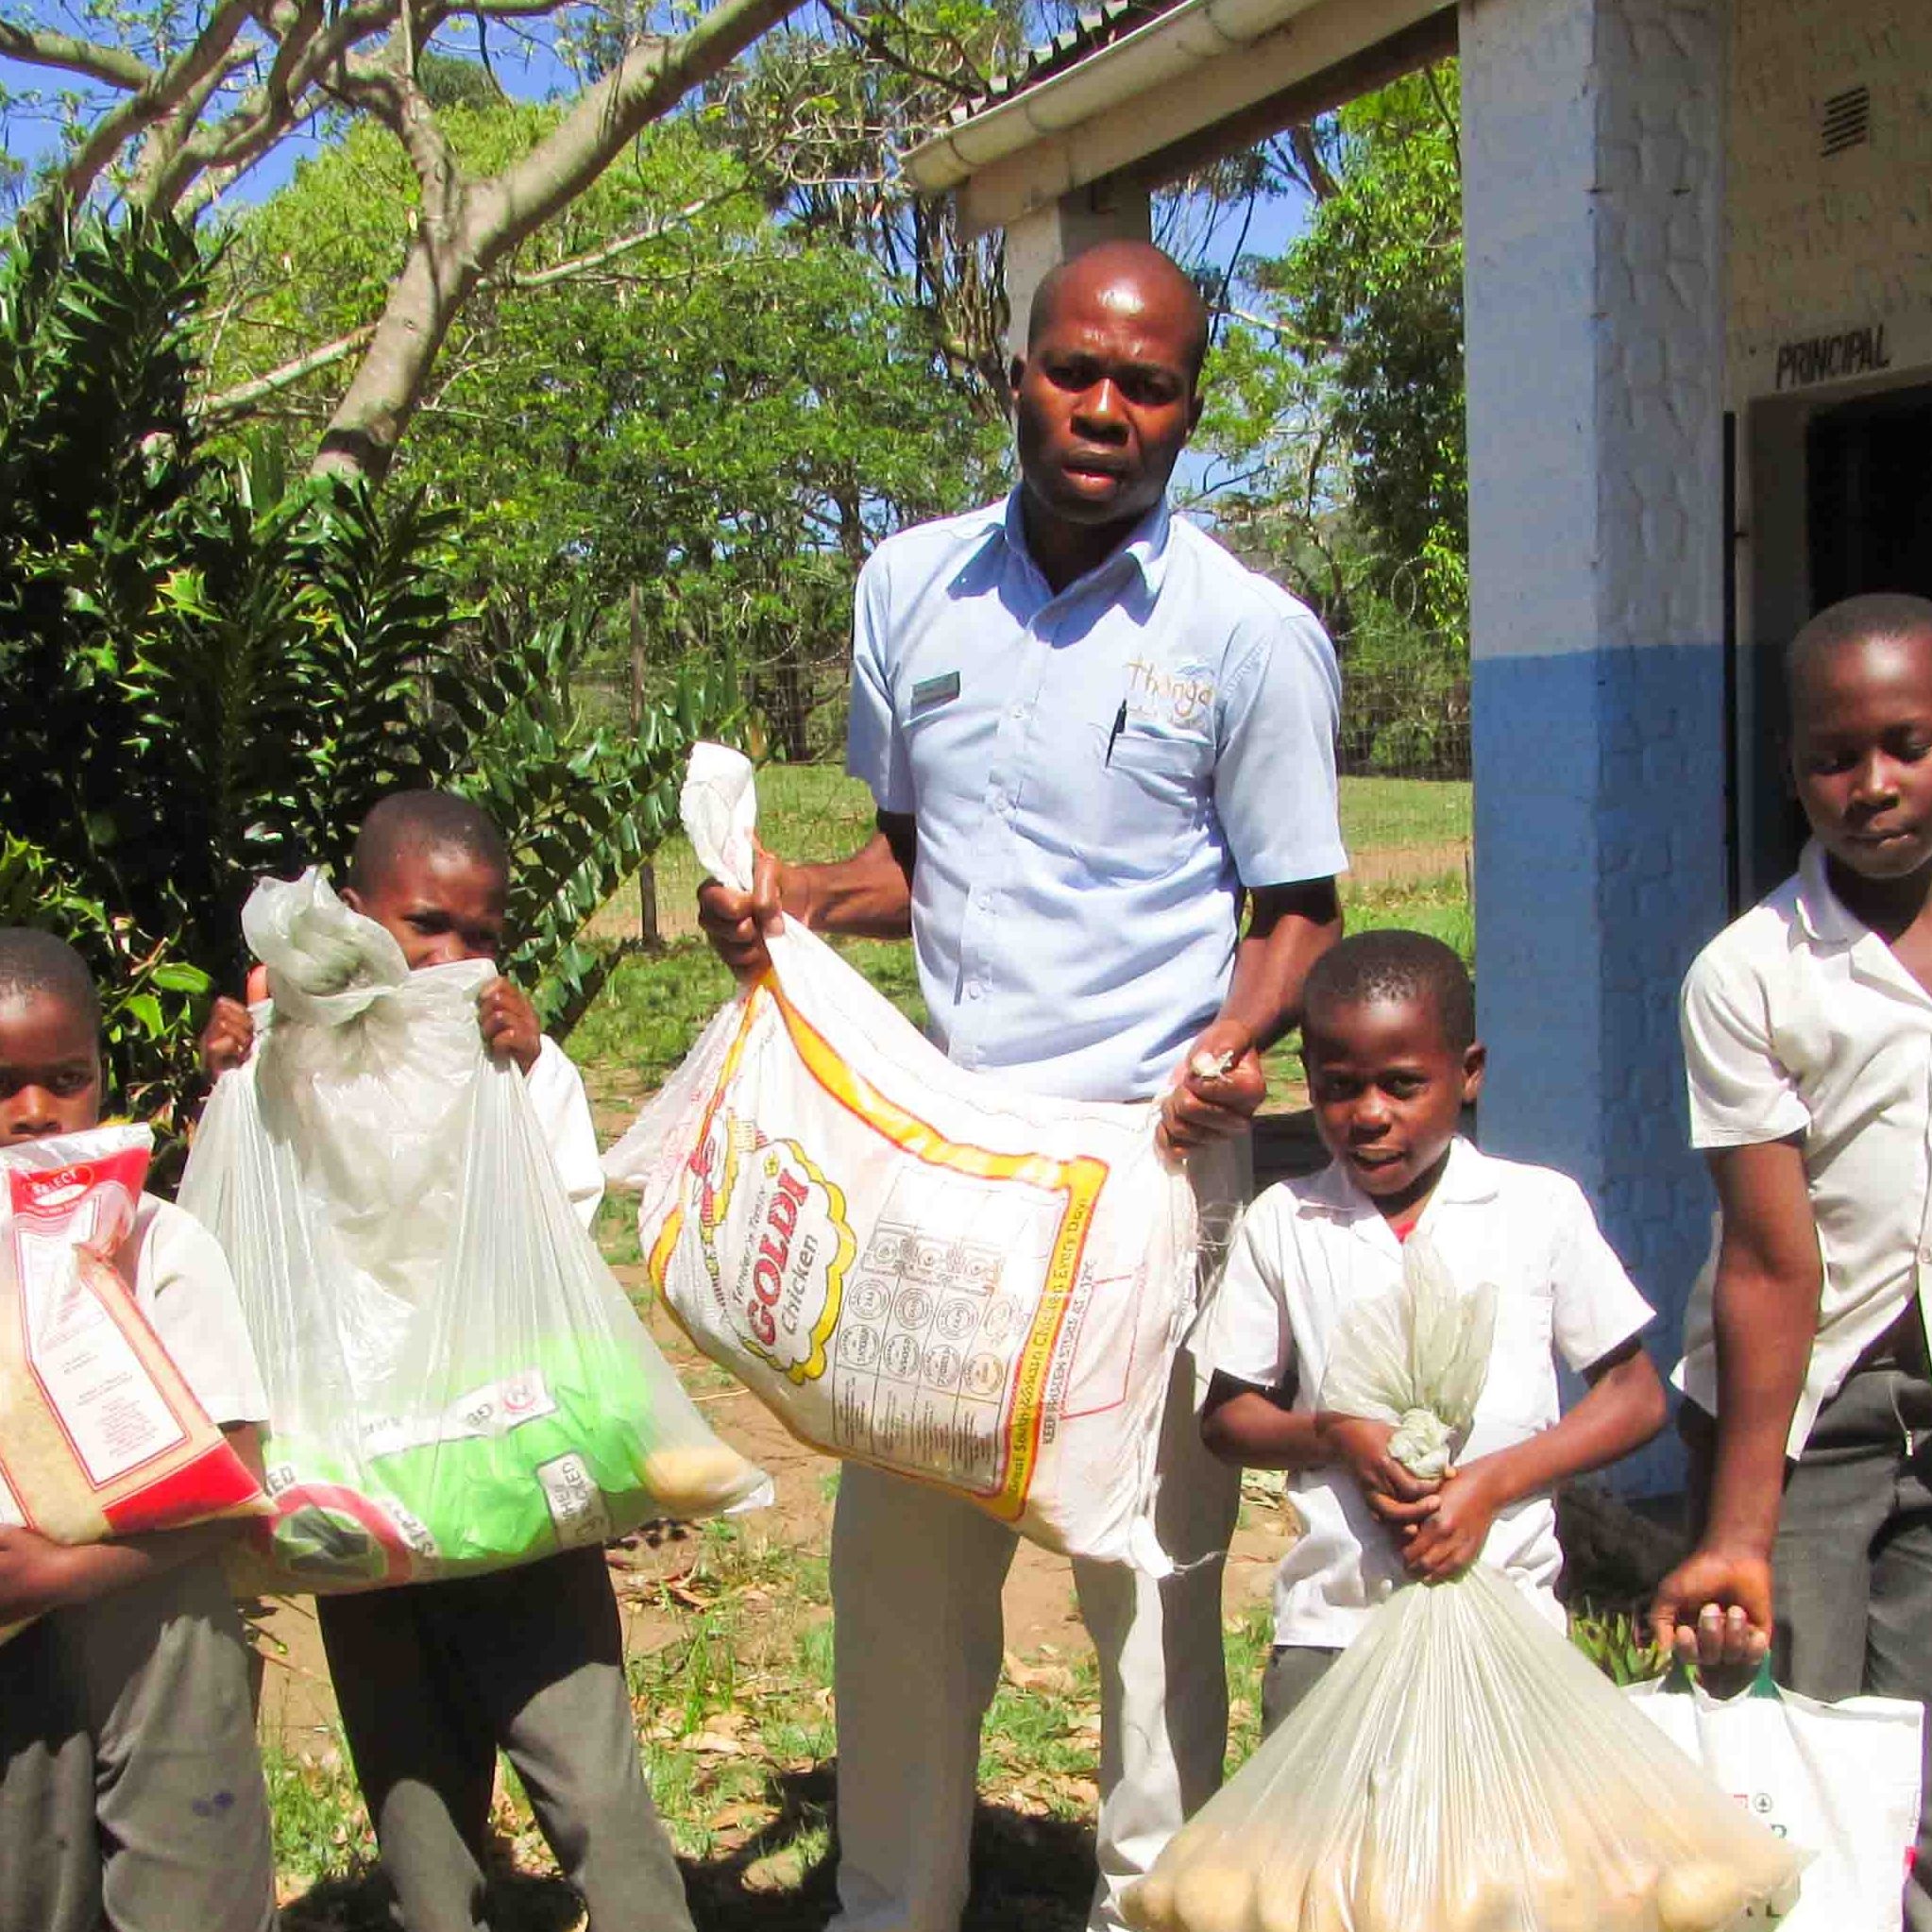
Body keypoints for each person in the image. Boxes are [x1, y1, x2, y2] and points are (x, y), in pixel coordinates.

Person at [699, 238, 1347, 1932]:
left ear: (1189, 410)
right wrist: (795, 896)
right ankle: (893, 1904)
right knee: (900, 1583)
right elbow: (906, 863)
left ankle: (1159, 1902)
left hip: (1142, 1163)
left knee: (1146, 1580)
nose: (1107, 409)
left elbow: (1297, 913)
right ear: (1017, 376)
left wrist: (1232, 1049)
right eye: (1077, 371)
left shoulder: (1250, 639)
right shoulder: (910, 591)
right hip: (940, 1161)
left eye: (1148, 384)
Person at [202, 791, 690, 1932]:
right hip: (360, 1503)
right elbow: (250, 1235)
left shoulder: (525, 1068)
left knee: (592, 1777)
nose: (455, 959)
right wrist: (233, 1074)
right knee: (414, 1799)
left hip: (514, 1486)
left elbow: (554, 1236)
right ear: (357, 915)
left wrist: (514, 1083)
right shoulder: (287, 1071)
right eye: (428, 926)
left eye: (484, 936)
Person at [1194, 931, 1667, 1733]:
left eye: (1404, 1085)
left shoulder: (1534, 1210)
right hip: (1337, 1628)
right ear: (1305, 1082)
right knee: (1333, 1854)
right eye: (1340, 1088)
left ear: (1470, 1073)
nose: (1370, 1115)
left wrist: (1491, 1485)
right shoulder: (1287, 1221)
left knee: (1498, 1854)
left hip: (1509, 1623)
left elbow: (1634, 1395)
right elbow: (1227, 1416)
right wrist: (1335, 1435)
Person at [1649, 592, 1932, 1930]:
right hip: (1804, 1409)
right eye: (1833, 756)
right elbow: (1770, 1264)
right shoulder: (1749, 975)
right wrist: (1739, 1533)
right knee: (1809, 1738)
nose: (1870, 783)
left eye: (1906, 742)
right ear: (1790, 770)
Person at [0, 927, 277, 1932]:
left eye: (64, 1079)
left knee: (189, 1893)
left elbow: (240, 1478)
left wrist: (55, 1576)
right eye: (3, 1084)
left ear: (103, 1078)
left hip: (161, 1633)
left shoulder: (160, 1245)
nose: (33, 1113)